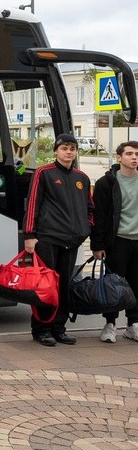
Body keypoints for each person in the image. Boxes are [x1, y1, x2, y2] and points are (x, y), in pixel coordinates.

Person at [23, 133, 93, 347]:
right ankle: (41, 329)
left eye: (72, 148)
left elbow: (90, 208)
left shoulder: (82, 177)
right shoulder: (43, 173)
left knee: (64, 286)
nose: (68, 152)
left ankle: (59, 328)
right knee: (45, 286)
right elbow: (33, 203)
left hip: (72, 241)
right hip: (47, 238)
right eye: (64, 148)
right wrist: (30, 235)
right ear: (56, 151)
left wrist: (85, 228)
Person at [93, 141, 138, 343]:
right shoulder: (107, 183)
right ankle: (110, 324)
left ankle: (133, 325)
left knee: (136, 284)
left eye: (137, 154)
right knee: (113, 284)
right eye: (129, 153)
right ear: (119, 157)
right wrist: (98, 245)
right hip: (117, 241)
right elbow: (100, 217)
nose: (134, 157)